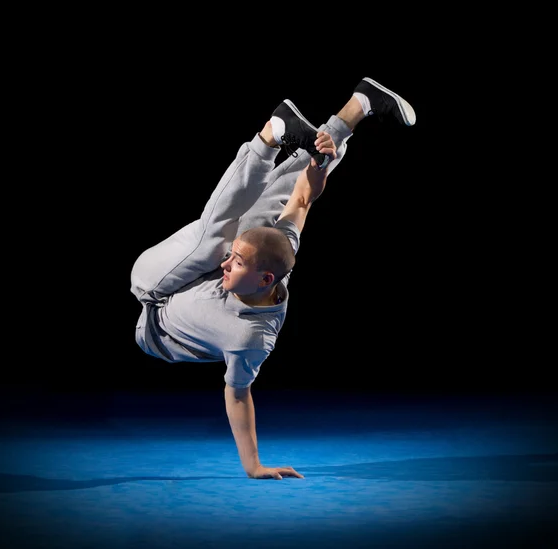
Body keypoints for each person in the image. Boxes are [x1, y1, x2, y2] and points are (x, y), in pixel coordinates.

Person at [130, 77, 416, 480]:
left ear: (266, 279)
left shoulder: (249, 336)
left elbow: (238, 393)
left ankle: (268, 138)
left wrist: (253, 466)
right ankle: (358, 106)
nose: (229, 263)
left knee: (214, 238)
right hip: (171, 274)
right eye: (234, 259)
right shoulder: (278, 252)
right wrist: (320, 162)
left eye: (238, 262)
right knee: (248, 217)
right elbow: (301, 197)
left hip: (153, 314)